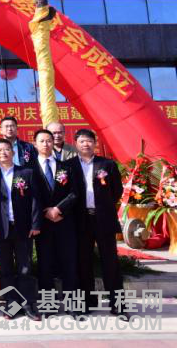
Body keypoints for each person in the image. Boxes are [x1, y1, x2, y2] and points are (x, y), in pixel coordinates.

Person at [65, 129, 128, 320]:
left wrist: (103, 205)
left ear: (95, 143)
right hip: (81, 220)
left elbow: (116, 191)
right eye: (82, 141)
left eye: (89, 141)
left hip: (103, 219)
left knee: (110, 262)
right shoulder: (68, 166)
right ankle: (87, 302)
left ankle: (118, 304)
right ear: (75, 144)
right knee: (83, 262)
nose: (86, 144)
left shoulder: (107, 164)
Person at [0, 139, 41, 321]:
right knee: (6, 269)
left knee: (25, 268)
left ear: (12, 152)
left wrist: (35, 224)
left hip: (23, 227)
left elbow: (35, 200)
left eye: (7, 149)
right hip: (1, 228)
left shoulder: (26, 173)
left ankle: (28, 305)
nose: (3, 153)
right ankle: (11, 304)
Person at [30, 129, 80, 319]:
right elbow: (30, 196)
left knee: (69, 263)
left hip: (64, 221)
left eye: (49, 140)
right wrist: (46, 211)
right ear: (35, 144)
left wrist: (58, 209)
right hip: (42, 224)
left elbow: (74, 192)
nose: (46, 144)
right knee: (45, 265)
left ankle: (72, 304)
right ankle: (48, 305)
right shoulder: (28, 168)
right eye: (42, 141)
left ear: (54, 143)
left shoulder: (65, 167)